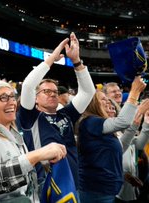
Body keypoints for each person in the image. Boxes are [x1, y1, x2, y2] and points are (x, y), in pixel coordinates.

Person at [17, 32, 96, 192]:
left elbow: (88, 92)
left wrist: (76, 61)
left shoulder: (66, 115)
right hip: (44, 185)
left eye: (55, 92)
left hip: (72, 182)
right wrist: (52, 58)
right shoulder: (30, 117)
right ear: (36, 99)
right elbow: (27, 86)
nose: (53, 94)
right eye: (46, 91)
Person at [0, 80, 67, 202]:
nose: (11, 102)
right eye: (3, 97)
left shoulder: (15, 136)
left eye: (12, 97)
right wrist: (35, 156)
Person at [77, 76, 146, 203]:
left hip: (107, 190)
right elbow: (123, 121)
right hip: (97, 191)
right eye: (104, 99)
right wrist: (134, 92)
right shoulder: (90, 122)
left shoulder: (101, 126)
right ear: (92, 103)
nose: (109, 102)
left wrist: (122, 176)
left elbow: (121, 147)